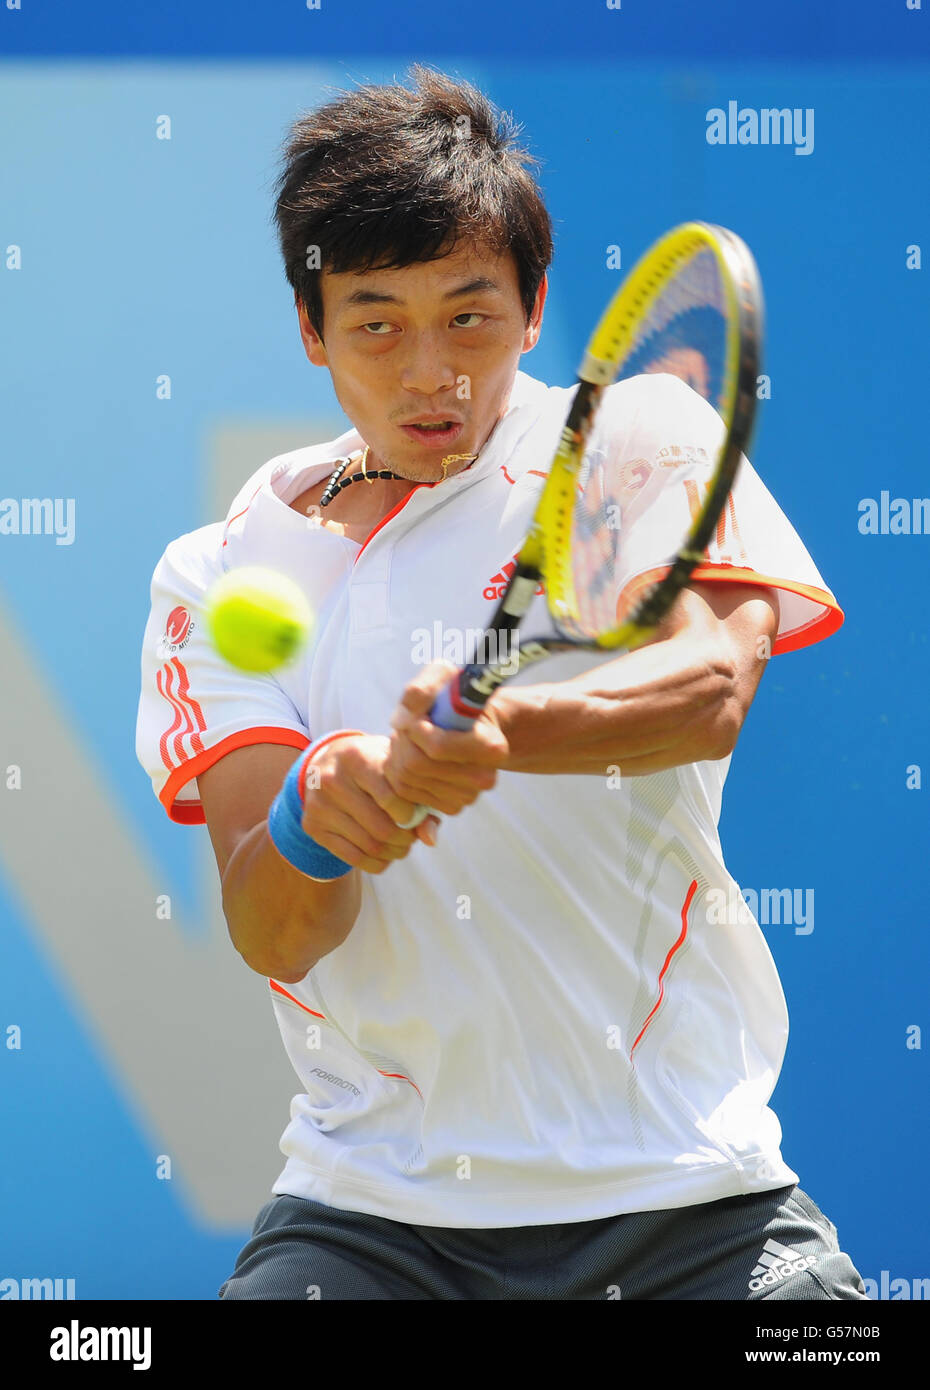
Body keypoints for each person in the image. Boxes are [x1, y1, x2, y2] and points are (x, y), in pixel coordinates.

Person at [135, 65, 867, 1300]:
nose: (432, 372)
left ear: (533, 310)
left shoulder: (640, 435)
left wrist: (500, 733)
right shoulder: (219, 569)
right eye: (376, 323)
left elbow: (708, 688)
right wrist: (320, 816)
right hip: (373, 1219)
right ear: (312, 330)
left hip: (691, 1198)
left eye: (469, 317)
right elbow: (272, 926)